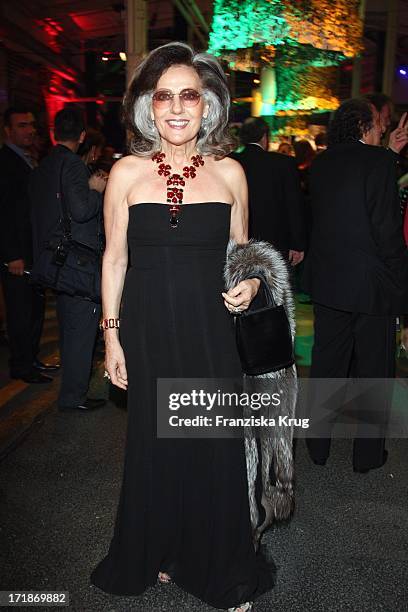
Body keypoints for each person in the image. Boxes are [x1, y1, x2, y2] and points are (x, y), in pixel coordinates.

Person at [91, 42, 296, 611]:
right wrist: (112, 334)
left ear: (208, 106)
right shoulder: (126, 171)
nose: (177, 108)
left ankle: (219, 564)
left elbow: (243, 253)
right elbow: (113, 259)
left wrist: (253, 284)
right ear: (147, 107)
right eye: (164, 97)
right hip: (150, 330)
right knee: (155, 442)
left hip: (213, 333)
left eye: (190, 96)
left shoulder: (231, 172)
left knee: (213, 442)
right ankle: (157, 547)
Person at [303, 98, 408, 473]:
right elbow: (385, 228)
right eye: (379, 123)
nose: (383, 127)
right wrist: (401, 278)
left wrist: (388, 153)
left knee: (327, 364)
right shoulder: (378, 162)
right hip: (372, 284)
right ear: (364, 124)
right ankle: (366, 456)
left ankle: (317, 445)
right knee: (373, 370)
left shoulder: (321, 163)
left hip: (330, 280)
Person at [30, 107, 107, 411]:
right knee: (81, 328)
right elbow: (81, 210)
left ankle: (71, 391)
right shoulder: (73, 165)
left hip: (54, 258)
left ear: (54, 133)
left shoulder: (44, 166)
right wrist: (97, 191)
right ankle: (74, 396)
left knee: (68, 327)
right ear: (82, 136)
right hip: (77, 261)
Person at [0, 106, 57, 383]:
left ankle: (31, 361)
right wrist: (12, 256)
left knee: (34, 310)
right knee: (21, 314)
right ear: (8, 131)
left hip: (32, 252)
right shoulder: (5, 162)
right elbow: (4, 212)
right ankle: (22, 367)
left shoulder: (28, 158)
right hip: (17, 257)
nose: (29, 130)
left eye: (32, 124)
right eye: (22, 125)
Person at [232, 117, 305, 265]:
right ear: (264, 137)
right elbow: (294, 206)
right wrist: (297, 244)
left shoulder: (231, 162)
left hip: (238, 240)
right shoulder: (284, 163)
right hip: (276, 241)